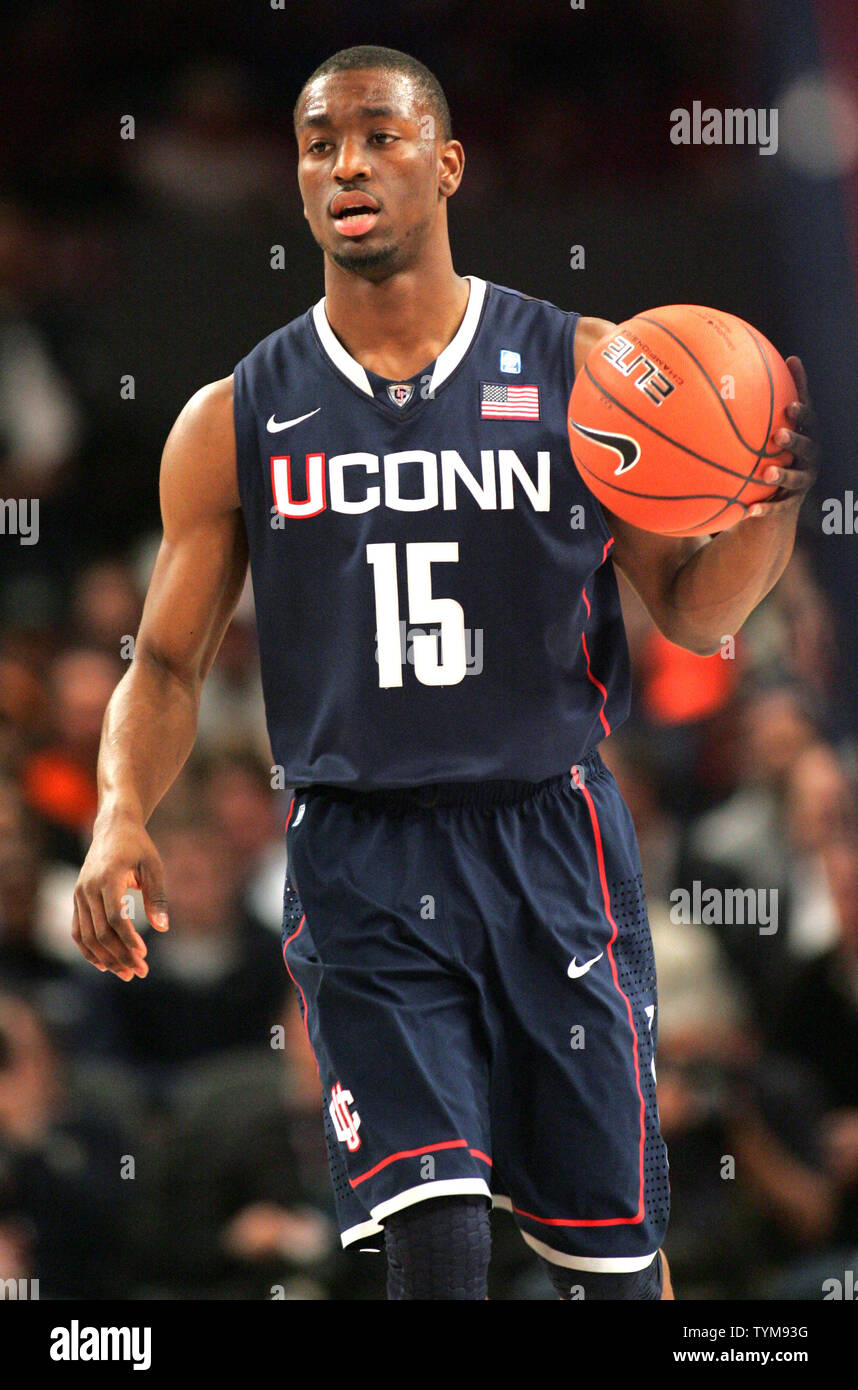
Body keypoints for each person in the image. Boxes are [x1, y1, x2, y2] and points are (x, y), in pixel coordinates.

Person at [70, 45, 818, 1301]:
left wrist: (771, 501)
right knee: (438, 1243)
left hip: (552, 842)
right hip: (361, 857)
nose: (346, 164)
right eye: (318, 143)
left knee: (617, 1271)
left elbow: (694, 617)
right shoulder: (234, 416)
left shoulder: (587, 370)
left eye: (378, 134)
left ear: (449, 163)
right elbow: (168, 663)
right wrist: (119, 809)